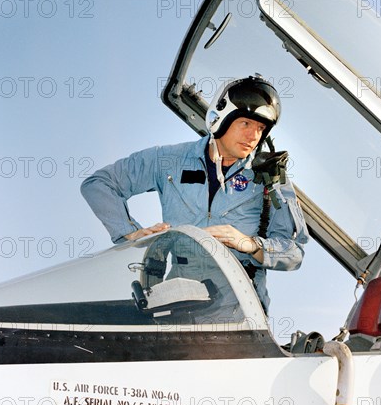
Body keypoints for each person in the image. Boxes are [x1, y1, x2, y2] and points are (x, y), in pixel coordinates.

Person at [81, 75, 309, 311]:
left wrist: (250, 244)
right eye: (246, 124)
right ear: (221, 118)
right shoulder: (168, 160)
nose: (253, 136)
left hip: (238, 311)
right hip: (178, 305)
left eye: (261, 128)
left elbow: (294, 251)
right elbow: (98, 184)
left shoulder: (272, 180)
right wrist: (129, 233)